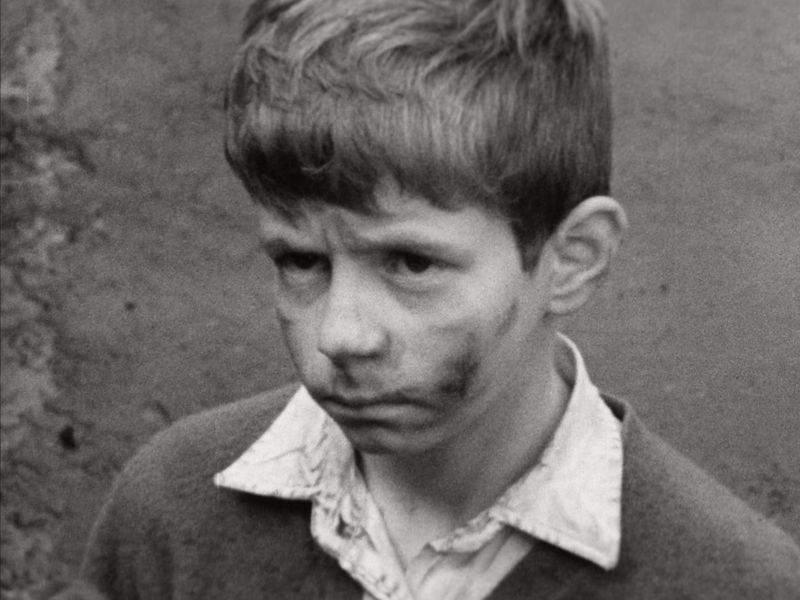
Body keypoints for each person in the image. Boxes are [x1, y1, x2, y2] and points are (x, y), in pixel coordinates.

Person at [81, 0, 800, 598]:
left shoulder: (735, 583)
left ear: (572, 259)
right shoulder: (172, 511)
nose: (340, 334)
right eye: (300, 262)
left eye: (411, 263)